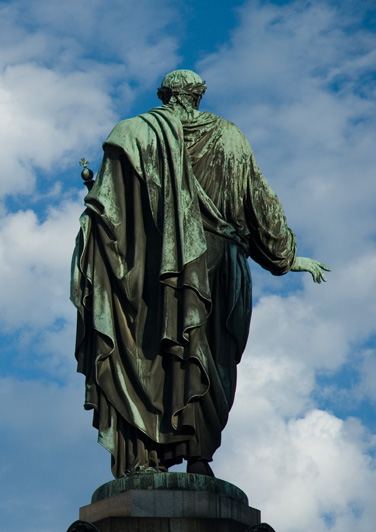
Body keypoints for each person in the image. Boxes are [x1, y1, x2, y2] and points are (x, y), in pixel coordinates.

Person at [70, 69, 329, 478]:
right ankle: (200, 457)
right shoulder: (230, 138)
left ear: (164, 94)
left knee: (152, 353)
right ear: (198, 96)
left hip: (154, 272)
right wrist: (287, 256)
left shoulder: (132, 132)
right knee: (209, 357)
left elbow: (105, 209)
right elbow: (260, 204)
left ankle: (144, 458)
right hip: (219, 265)